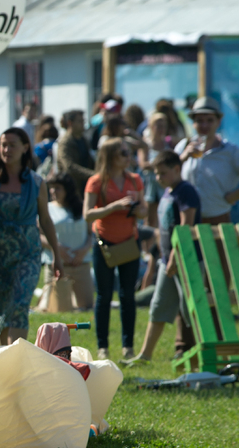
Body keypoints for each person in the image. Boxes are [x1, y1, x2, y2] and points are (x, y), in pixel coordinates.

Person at [0, 129, 63, 344]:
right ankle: (8, 359)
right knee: (2, 309)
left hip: (28, 253)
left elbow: (45, 220)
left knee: (18, 303)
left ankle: (17, 358)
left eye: (12, 145)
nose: (7, 150)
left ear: (26, 147)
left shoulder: (36, 183)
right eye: (3, 145)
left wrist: (56, 255)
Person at [126, 151, 200, 364]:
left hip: (185, 260)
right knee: (158, 306)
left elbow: (186, 227)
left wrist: (176, 258)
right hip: (167, 261)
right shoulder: (168, 192)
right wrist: (162, 256)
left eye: (163, 173)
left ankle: (200, 351)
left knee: (191, 310)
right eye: (156, 174)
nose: (158, 178)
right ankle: (145, 355)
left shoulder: (186, 191)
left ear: (177, 169)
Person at [85, 138, 147, 360]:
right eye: (123, 153)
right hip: (104, 243)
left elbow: (144, 212)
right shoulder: (96, 181)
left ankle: (128, 346)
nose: (128, 156)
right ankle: (103, 347)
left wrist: (136, 208)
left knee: (128, 295)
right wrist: (113, 207)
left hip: (130, 241)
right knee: (103, 295)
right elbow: (87, 214)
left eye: (129, 152)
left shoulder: (135, 179)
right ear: (110, 156)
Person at [175, 96, 239, 225]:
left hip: (218, 220)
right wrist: (183, 157)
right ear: (193, 123)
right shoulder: (184, 146)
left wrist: (233, 197)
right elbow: (165, 176)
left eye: (210, 120)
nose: (204, 125)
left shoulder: (231, 151)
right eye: (199, 120)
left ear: (218, 122)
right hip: (186, 220)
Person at [40, 172, 93, 310]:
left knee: (86, 307)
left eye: (57, 187)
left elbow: (92, 234)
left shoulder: (82, 207)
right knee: (54, 308)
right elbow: (38, 236)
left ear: (67, 190)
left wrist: (84, 250)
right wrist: (56, 248)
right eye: (51, 187)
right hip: (57, 265)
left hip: (80, 263)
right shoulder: (47, 208)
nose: (53, 191)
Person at [56, 110, 95, 195]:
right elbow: (69, 166)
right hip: (72, 190)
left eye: (83, 121)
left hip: (85, 186)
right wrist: (92, 174)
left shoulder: (83, 139)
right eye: (80, 121)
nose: (83, 123)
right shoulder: (65, 142)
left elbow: (90, 161)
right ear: (70, 123)